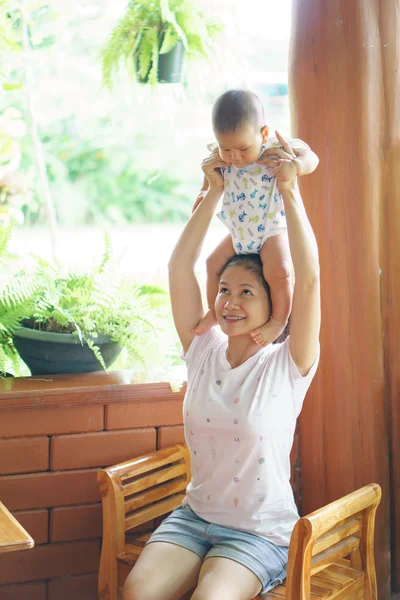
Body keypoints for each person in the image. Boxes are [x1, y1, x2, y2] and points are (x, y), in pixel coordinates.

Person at [123, 135, 320, 600]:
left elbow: (309, 281)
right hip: (195, 517)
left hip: (259, 531)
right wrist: (213, 190)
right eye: (224, 290)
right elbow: (179, 267)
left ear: (274, 301)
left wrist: (290, 193)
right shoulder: (203, 347)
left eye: (247, 292)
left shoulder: (288, 365)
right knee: (137, 593)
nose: (230, 303)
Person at [192, 89, 319, 347]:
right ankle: (214, 313)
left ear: (263, 133)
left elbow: (312, 158)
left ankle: (279, 321)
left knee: (281, 272)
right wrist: (205, 190)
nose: (234, 157)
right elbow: (212, 170)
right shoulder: (222, 154)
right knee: (211, 263)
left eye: (242, 148)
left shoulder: (274, 147)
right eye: (225, 148)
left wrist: (295, 166)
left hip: (271, 228)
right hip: (239, 231)